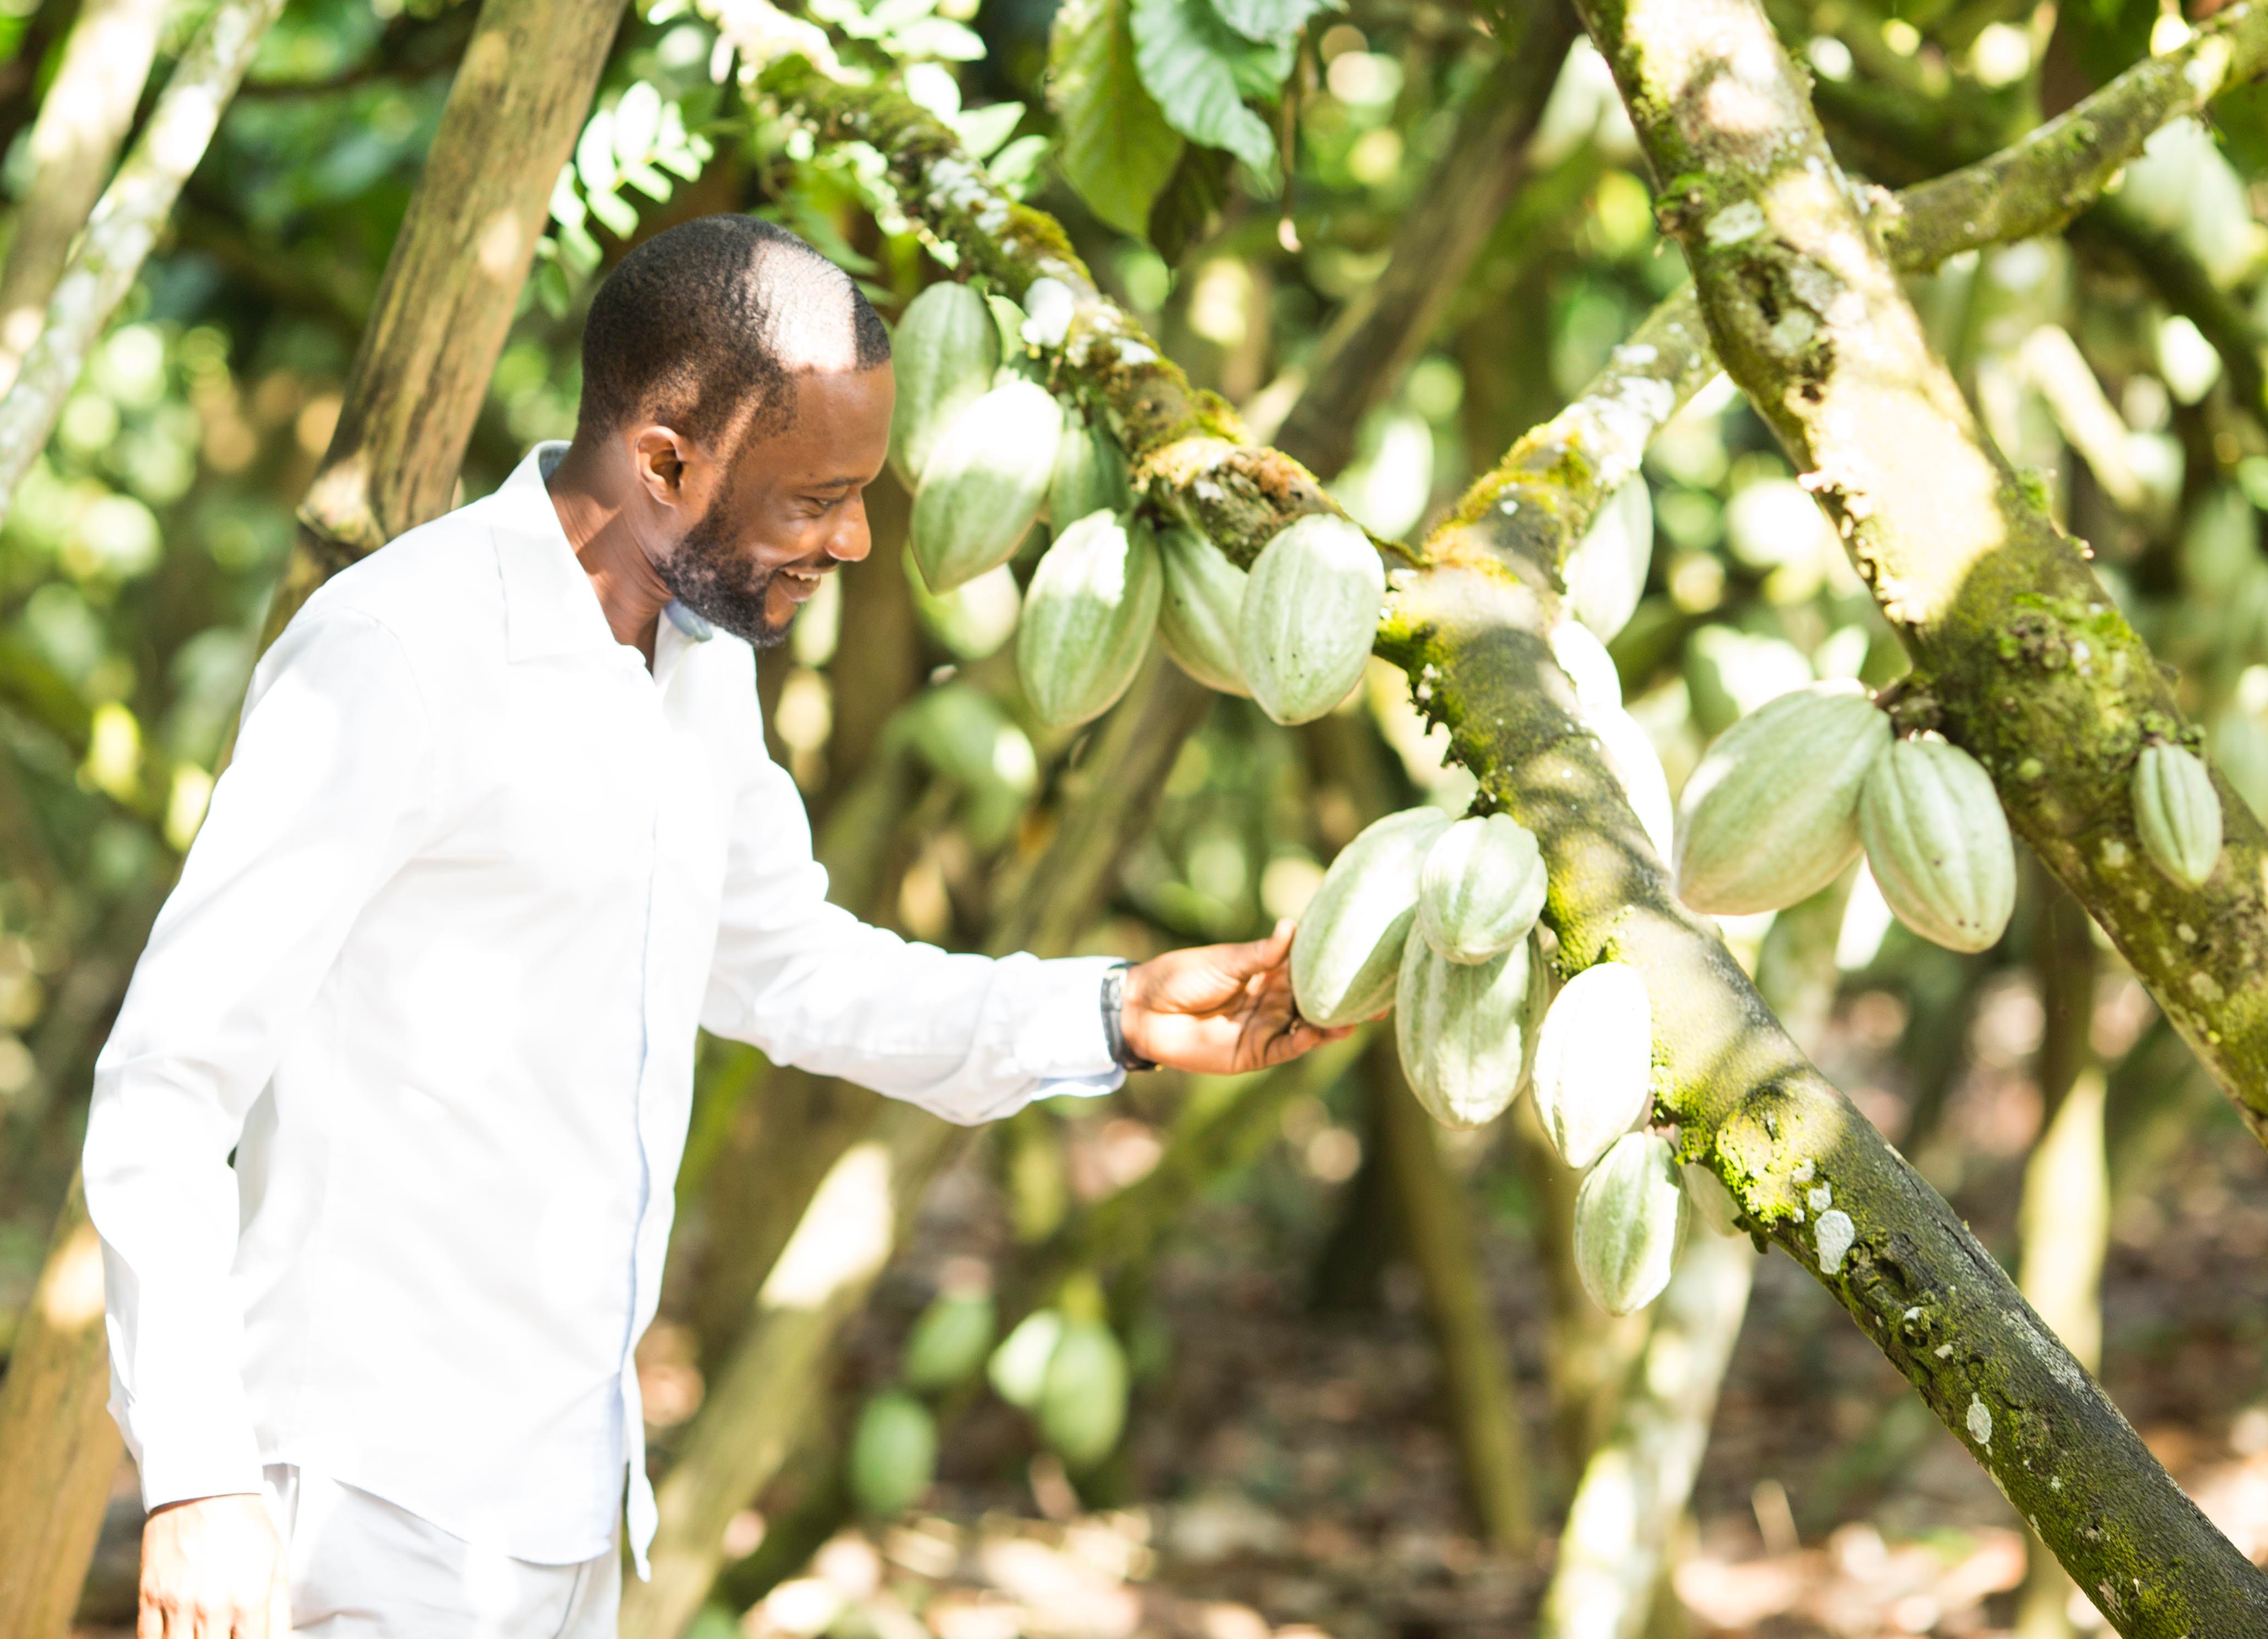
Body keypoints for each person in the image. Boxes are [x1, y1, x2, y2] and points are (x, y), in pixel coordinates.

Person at [86, 213, 1336, 1639]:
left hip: (575, 1501)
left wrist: (1110, 1015)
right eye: (817, 499)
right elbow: (166, 1085)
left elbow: (786, 967)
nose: (858, 540)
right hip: (369, 1508)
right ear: (666, 458)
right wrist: (195, 1477)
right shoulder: (399, 651)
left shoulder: (695, 659)